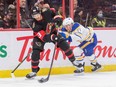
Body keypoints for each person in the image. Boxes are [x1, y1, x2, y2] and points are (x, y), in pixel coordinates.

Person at [26, 1, 80, 79]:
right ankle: (34, 71)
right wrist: (53, 37)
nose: (37, 17)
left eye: (37, 14)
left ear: (40, 12)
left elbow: (57, 14)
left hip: (53, 32)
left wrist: (58, 20)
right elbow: (44, 37)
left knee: (64, 44)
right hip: (40, 38)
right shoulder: (35, 25)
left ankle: (74, 61)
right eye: (34, 16)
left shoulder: (47, 12)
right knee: (35, 52)